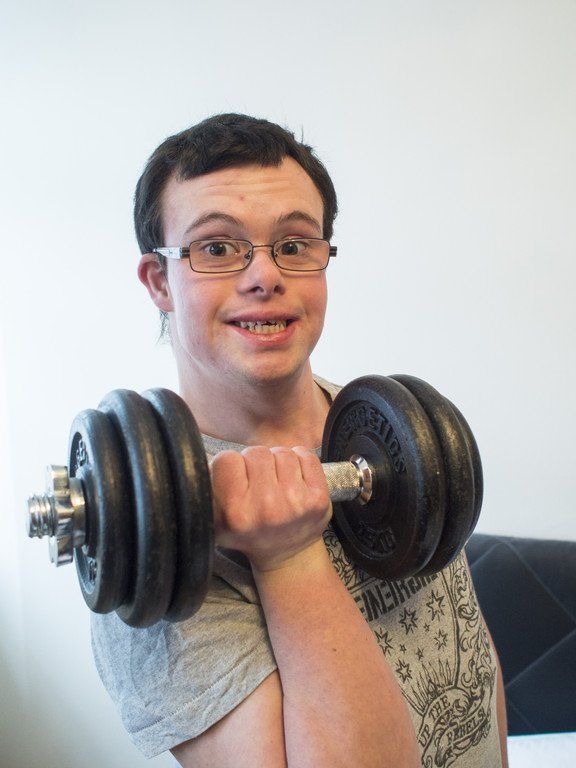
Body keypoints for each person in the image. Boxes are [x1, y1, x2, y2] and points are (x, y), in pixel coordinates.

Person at [91, 113, 509, 767]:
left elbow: (471, 657)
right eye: (216, 248)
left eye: (293, 243)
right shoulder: (154, 545)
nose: (265, 276)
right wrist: (286, 555)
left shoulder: (392, 428)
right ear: (159, 281)